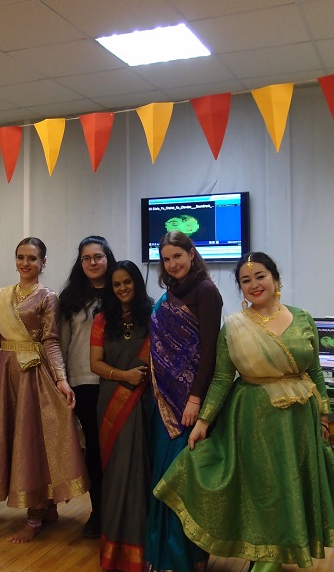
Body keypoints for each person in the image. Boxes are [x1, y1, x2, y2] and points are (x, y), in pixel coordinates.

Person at [154, 252, 334, 571]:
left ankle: (276, 554)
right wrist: (203, 421)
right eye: (245, 280)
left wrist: (323, 415)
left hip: (299, 421)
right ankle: (263, 558)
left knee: (291, 489)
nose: (254, 284)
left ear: (276, 279)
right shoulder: (234, 327)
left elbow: (315, 371)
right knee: (264, 492)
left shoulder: (303, 318)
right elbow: (222, 378)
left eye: (260, 276)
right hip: (254, 419)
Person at [0, 237, 89, 543]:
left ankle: (35, 517)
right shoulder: (1, 296)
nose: (26, 263)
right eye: (21, 257)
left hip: (33, 376)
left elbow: (51, 340)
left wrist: (61, 379)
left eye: (32, 258)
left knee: (32, 444)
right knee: (12, 439)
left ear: (43, 263)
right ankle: (45, 509)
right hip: (4, 375)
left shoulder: (48, 297)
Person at [146, 231, 223, 572]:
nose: (172, 263)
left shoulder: (206, 291)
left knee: (184, 482)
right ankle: (163, 555)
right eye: (166, 259)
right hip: (162, 401)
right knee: (163, 477)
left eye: (177, 255)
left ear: (192, 254)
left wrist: (195, 399)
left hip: (189, 404)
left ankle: (189, 559)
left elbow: (210, 351)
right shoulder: (169, 293)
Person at [89, 260, 154, 572]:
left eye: (127, 282)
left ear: (137, 283)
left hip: (144, 401)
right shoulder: (102, 319)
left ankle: (144, 549)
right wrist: (124, 375)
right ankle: (114, 550)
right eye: (116, 284)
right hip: (112, 400)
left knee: (142, 470)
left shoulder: (153, 316)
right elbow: (95, 364)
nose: (122, 288)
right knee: (116, 473)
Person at [59, 235, 117, 539]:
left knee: (118, 449)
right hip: (83, 382)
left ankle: (122, 512)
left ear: (108, 258)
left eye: (98, 256)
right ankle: (99, 512)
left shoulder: (122, 290)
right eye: (86, 258)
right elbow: (62, 343)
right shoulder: (71, 298)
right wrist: (62, 380)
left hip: (117, 381)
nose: (93, 263)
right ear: (80, 263)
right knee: (94, 449)